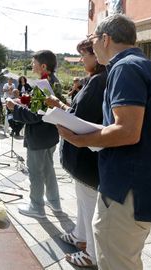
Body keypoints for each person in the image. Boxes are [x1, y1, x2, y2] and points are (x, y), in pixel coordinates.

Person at [57, 14, 151, 270]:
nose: (92, 46)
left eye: (92, 39)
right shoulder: (145, 65)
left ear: (105, 39)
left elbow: (128, 131)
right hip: (139, 184)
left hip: (125, 188)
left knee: (115, 258)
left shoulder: (124, 67)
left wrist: (82, 139)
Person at [45, 39, 106, 268]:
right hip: (84, 156)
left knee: (89, 205)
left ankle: (90, 252)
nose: (81, 60)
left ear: (96, 55)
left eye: (84, 55)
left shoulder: (99, 81)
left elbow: (82, 118)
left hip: (88, 156)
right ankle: (80, 236)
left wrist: (59, 108)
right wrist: (61, 106)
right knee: (82, 200)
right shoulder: (96, 80)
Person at [5, 49, 61, 218]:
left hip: (39, 136)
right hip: (49, 134)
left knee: (36, 172)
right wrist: (23, 101)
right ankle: (54, 202)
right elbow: (40, 105)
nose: (31, 65)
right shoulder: (53, 81)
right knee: (49, 169)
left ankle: (37, 206)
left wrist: (14, 108)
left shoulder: (44, 84)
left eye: (34, 62)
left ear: (43, 66)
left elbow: (34, 115)